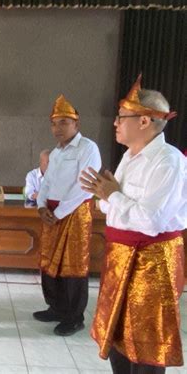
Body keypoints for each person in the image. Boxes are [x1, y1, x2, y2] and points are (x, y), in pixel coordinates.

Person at [80, 76, 186, 373]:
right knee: (118, 335)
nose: (115, 123)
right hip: (122, 255)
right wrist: (103, 195)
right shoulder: (130, 155)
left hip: (152, 261)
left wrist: (112, 194)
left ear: (144, 121)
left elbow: (152, 222)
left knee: (145, 340)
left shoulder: (168, 162)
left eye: (121, 118)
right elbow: (114, 207)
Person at [34, 94, 101, 336]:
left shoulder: (88, 148)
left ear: (77, 124)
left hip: (73, 214)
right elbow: (47, 182)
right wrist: (42, 206)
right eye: (54, 123)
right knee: (49, 263)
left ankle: (74, 317)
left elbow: (84, 186)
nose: (57, 128)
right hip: (51, 214)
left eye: (64, 122)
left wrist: (59, 212)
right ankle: (56, 307)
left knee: (72, 266)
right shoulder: (56, 153)